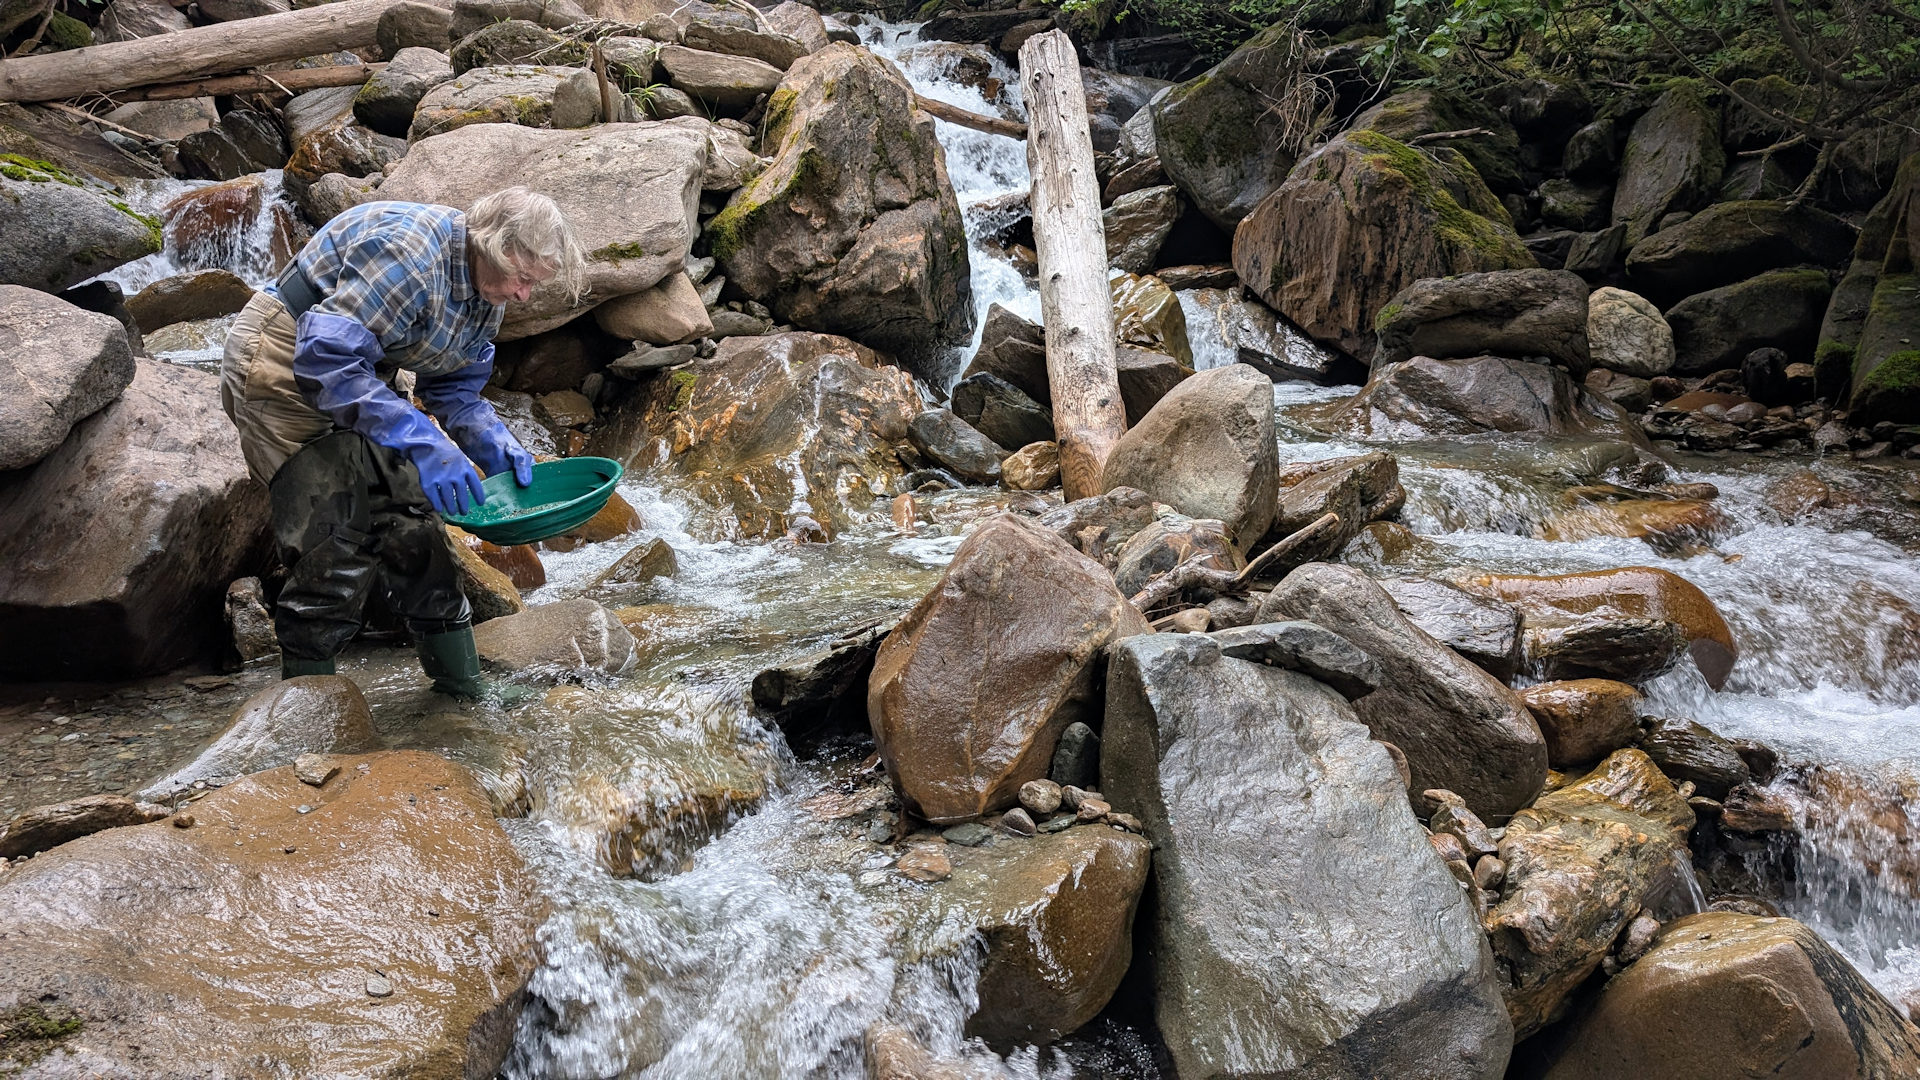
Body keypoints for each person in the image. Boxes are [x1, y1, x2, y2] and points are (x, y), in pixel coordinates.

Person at [220, 186, 586, 697]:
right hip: (285, 361)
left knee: (416, 525)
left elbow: (452, 389)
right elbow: (325, 359)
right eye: (523, 279)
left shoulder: (488, 290)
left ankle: (462, 689)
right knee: (334, 536)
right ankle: (305, 712)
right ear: (494, 246)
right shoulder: (408, 256)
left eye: (534, 284)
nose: (525, 295)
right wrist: (424, 442)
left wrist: (492, 443)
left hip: (363, 371)